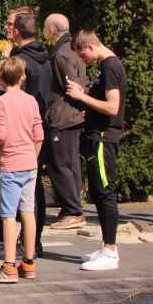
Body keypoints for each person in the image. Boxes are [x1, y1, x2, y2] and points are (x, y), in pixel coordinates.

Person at [66, 30, 127, 271]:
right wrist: (89, 108)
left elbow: (113, 107)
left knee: (104, 192)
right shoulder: (106, 65)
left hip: (103, 138)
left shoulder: (111, 66)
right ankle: (106, 246)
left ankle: (110, 251)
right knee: (99, 191)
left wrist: (83, 97)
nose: (83, 61)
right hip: (96, 135)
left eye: (82, 55)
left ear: (91, 46)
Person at [0, 56, 43, 284]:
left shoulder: (0, 102)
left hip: (11, 163)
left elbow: (2, 132)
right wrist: (33, 157)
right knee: (28, 212)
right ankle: (29, 262)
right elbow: (39, 134)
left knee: (8, 215)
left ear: (0, 78)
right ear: (23, 78)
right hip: (29, 163)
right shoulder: (31, 101)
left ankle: (9, 266)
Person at [43, 14, 87, 229]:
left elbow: (73, 85)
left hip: (63, 117)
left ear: (51, 31)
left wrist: (81, 103)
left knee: (60, 165)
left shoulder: (61, 53)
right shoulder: (70, 49)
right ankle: (69, 209)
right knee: (70, 165)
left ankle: (73, 211)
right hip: (71, 116)